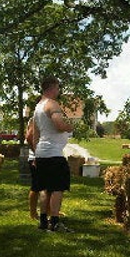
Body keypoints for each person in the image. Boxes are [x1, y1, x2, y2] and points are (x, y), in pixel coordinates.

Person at [32, 76, 74, 232]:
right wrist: (70, 127)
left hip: (42, 153)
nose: (59, 91)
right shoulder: (52, 104)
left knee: (44, 189)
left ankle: (43, 222)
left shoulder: (38, 108)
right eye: (57, 88)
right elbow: (59, 124)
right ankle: (55, 222)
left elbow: (35, 135)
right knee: (57, 188)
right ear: (51, 88)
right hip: (54, 154)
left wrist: (36, 155)